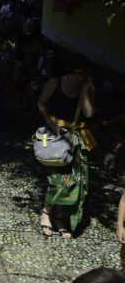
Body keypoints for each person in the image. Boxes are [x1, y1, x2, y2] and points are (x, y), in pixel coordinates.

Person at [37, 56, 96, 238]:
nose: (79, 78)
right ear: (68, 72)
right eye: (77, 74)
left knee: (74, 181)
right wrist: (51, 124)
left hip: (76, 138)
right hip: (57, 138)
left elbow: (89, 113)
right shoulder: (55, 83)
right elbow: (41, 103)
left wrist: (86, 90)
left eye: (82, 75)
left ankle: (60, 216)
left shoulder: (86, 87)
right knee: (58, 179)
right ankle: (47, 213)